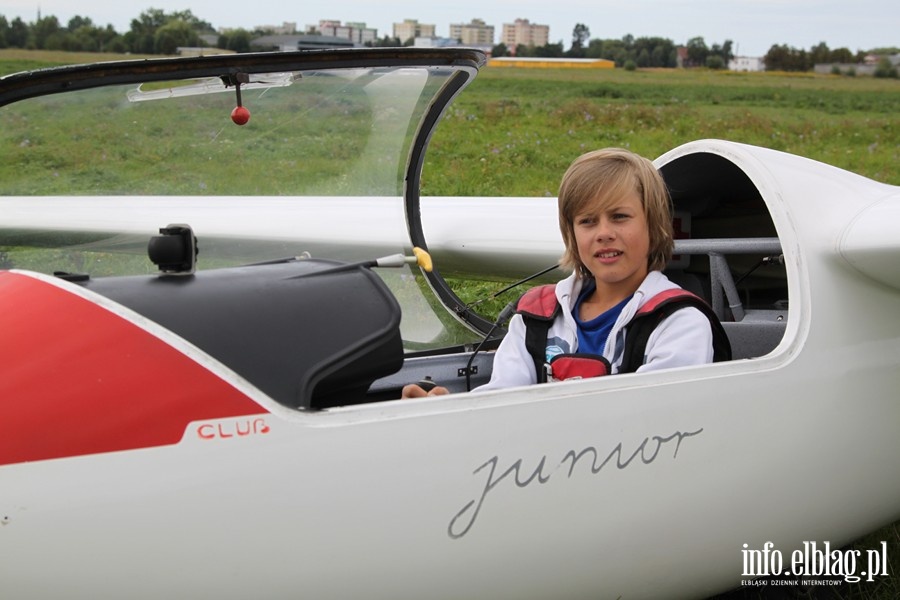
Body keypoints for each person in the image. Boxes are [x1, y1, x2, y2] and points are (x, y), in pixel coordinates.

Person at [402, 148, 716, 398]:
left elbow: (654, 420)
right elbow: (500, 402)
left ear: (653, 225)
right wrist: (447, 410)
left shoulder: (680, 323)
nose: (603, 233)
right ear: (571, 234)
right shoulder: (535, 317)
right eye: (588, 221)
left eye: (620, 217)